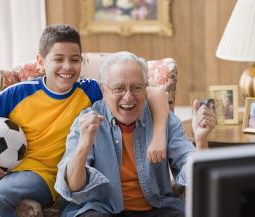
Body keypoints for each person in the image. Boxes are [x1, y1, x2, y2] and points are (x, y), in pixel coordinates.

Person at [0, 24, 169, 217]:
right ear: (41, 61)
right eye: (59, 59)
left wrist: (159, 133)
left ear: (81, 62)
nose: (67, 67)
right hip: (5, 166)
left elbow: (154, 92)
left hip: (46, 177)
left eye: (74, 60)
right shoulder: (18, 93)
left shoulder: (90, 90)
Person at [55, 51, 216, 217]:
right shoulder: (86, 121)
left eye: (136, 88)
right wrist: (84, 145)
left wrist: (201, 140)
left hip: (156, 208)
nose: (128, 97)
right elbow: (72, 186)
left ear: (146, 88)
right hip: (100, 209)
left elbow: (194, 174)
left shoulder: (165, 120)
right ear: (104, 90)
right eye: (118, 88)